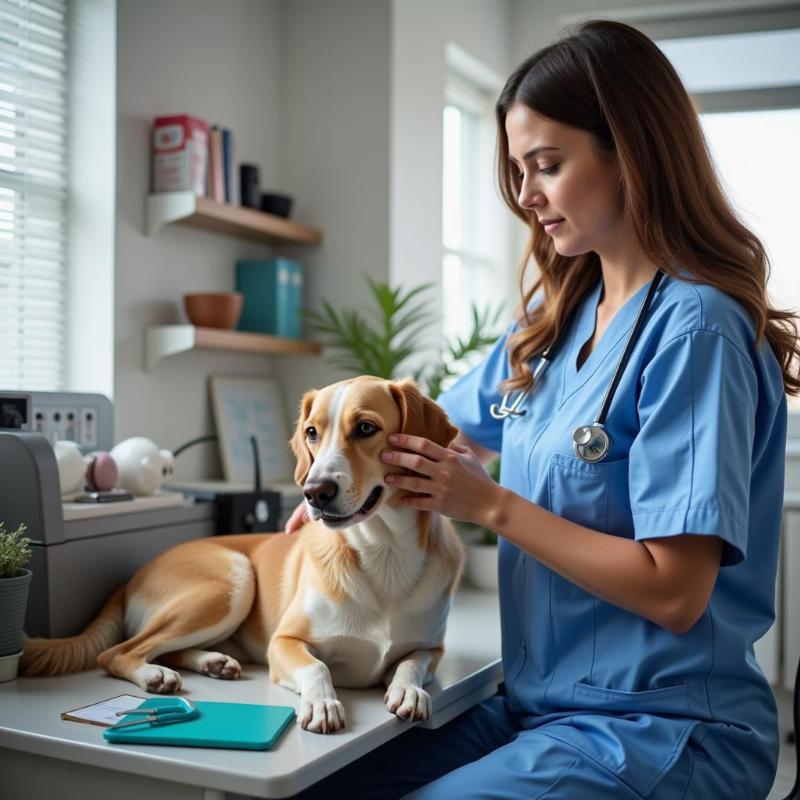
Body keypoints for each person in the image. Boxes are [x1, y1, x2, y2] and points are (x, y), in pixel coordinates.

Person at [284, 19, 799, 799]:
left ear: (630, 153)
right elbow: (433, 437)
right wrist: (341, 485)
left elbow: (675, 590)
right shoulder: (553, 328)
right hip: (542, 710)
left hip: (662, 732)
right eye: (519, 171)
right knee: (308, 784)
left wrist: (489, 504)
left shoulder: (698, 332)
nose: (525, 195)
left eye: (547, 166)